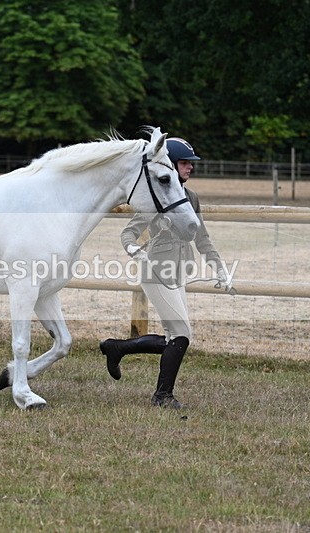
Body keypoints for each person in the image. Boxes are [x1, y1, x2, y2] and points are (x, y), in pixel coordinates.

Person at [100, 137, 232, 409]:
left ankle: (118, 348)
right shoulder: (155, 198)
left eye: (190, 164)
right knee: (181, 335)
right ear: (170, 165)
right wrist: (135, 251)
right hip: (155, 273)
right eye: (185, 163)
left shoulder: (191, 198)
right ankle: (162, 396)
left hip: (178, 274)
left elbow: (202, 238)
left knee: (178, 338)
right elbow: (129, 233)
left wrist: (220, 269)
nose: (190, 168)